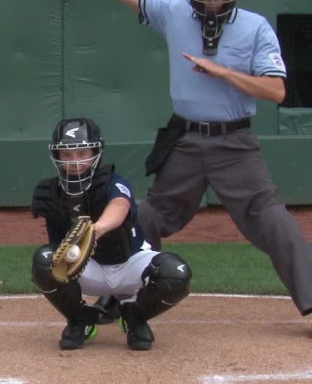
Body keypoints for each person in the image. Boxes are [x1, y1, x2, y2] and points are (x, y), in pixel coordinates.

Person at [34, 0, 312, 343]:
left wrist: (224, 74)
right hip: (185, 138)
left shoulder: (255, 28)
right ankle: (124, 294)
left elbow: (276, 91)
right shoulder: (174, 12)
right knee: (144, 217)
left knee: (273, 221)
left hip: (235, 143)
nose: (211, 3)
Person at [30, 117, 192, 351]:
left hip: (130, 262)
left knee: (175, 273)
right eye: (67, 154)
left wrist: (95, 230)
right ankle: (81, 319)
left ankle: (135, 317)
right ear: (57, 156)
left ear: (96, 152)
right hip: (87, 267)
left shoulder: (112, 181)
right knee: (44, 261)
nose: (75, 161)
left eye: (82, 153)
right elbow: (58, 253)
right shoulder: (51, 193)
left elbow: (119, 206)